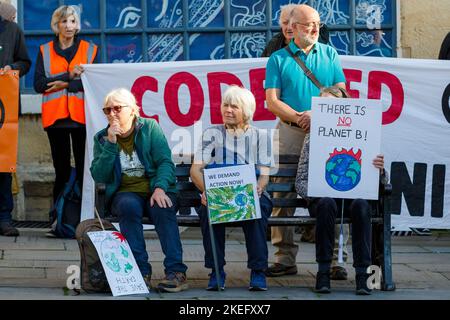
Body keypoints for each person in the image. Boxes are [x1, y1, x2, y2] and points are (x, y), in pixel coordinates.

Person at [264, 4, 346, 277]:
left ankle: (334, 260)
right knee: (281, 193)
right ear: (293, 26)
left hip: (325, 130)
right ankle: (284, 257)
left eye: (317, 25)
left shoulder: (330, 54)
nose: (314, 29)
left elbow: (342, 93)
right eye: (308, 24)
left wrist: (318, 113)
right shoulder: (278, 58)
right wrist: (301, 117)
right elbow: (272, 101)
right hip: (289, 130)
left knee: (331, 190)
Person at [90, 88, 189, 293]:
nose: (111, 114)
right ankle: (139, 271)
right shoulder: (102, 138)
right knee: (127, 206)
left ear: (133, 110)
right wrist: (110, 144)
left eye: (117, 108)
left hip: (156, 190)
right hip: (126, 193)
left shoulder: (150, 128)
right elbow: (99, 175)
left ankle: (176, 272)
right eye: (107, 110)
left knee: (163, 208)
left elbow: (164, 162)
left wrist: (160, 188)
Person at [295, 85, 386, 294]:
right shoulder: (312, 138)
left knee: (362, 206)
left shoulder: (363, 135)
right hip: (323, 200)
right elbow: (300, 179)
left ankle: (363, 276)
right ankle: (323, 272)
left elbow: (380, 181)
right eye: (324, 105)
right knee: (326, 203)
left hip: (354, 197)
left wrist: (380, 170)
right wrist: (315, 191)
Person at [190, 85, 274, 291]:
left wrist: (258, 189)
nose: (227, 110)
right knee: (210, 208)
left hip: (250, 190)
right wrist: (207, 192)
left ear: (246, 111)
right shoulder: (211, 133)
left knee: (257, 207)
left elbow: (264, 174)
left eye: (234, 106)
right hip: (217, 189)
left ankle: (258, 271)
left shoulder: (261, 136)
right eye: (225, 105)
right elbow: (195, 170)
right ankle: (216, 271)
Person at [33, 5, 98, 218]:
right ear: (56, 25)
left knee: (83, 169)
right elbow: (39, 84)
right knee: (60, 170)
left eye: (72, 21)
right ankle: (58, 216)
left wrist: (65, 85)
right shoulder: (45, 49)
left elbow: (94, 82)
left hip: (81, 118)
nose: (69, 26)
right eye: (64, 21)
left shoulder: (90, 49)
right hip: (56, 119)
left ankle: (82, 216)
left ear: (77, 25)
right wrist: (69, 76)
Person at [0, 8, 31, 237]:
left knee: (3, 163)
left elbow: (25, 62)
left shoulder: (12, 30)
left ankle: (4, 218)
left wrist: (13, 68)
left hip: (4, 107)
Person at [261, 3, 329, 58]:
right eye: (285, 23)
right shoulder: (273, 43)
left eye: (294, 23)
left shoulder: (315, 44)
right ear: (281, 25)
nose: (290, 27)